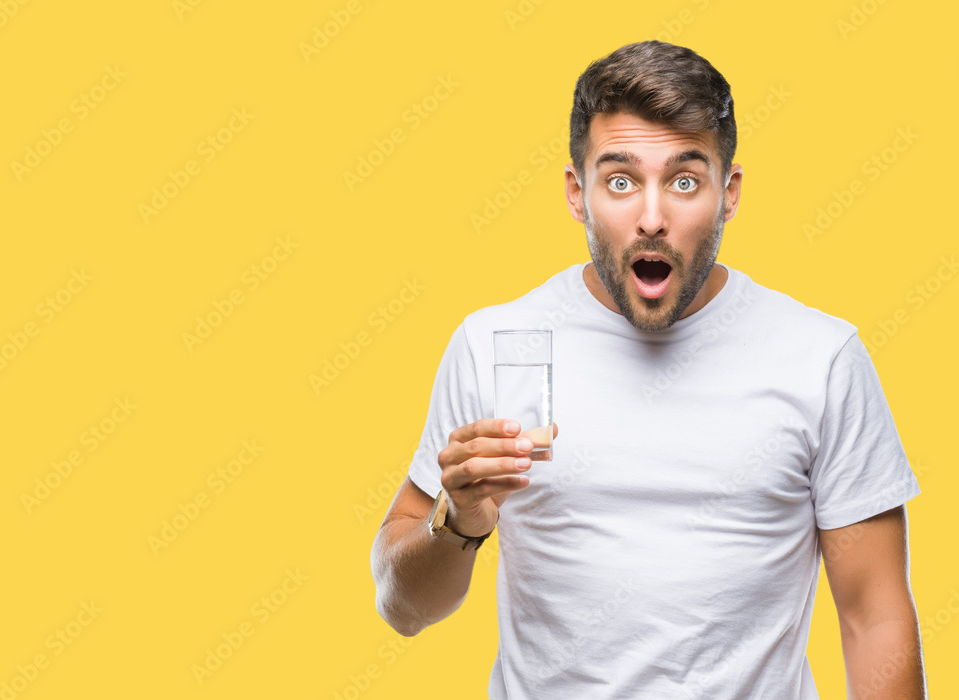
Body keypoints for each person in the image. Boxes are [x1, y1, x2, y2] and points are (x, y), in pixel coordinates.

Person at [370, 40, 927, 699]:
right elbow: (404, 609)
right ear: (578, 195)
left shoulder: (820, 358)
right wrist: (458, 520)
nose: (653, 218)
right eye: (621, 181)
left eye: (685, 181)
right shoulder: (495, 343)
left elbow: (875, 619)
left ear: (730, 193)